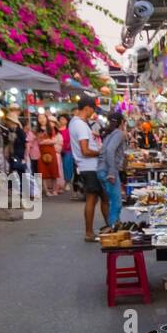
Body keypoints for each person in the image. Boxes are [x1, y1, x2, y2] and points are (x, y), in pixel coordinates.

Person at [68, 95, 104, 240]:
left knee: (95, 198)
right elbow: (85, 150)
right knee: (92, 198)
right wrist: (100, 152)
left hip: (87, 166)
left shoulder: (76, 123)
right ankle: (89, 232)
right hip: (90, 166)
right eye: (93, 109)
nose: (93, 112)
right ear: (87, 108)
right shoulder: (81, 125)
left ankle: (96, 230)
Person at [97, 112, 127, 227]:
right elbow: (110, 151)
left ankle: (113, 227)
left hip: (102, 169)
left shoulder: (110, 133)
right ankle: (113, 229)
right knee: (116, 203)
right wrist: (111, 172)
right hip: (108, 171)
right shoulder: (118, 133)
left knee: (113, 201)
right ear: (122, 123)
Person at [35, 113, 63, 197]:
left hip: (51, 151)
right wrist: (47, 141)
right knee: (43, 172)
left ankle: (54, 190)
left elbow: (54, 141)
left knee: (53, 171)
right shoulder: (37, 130)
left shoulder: (51, 129)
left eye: (43, 117)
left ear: (46, 119)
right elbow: (38, 142)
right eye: (39, 118)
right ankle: (46, 191)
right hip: (41, 152)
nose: (42, 119)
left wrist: (44, 141)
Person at [58, 113, 77, 195]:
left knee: (67, 167)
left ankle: (67, 182)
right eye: (60, 119)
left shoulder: (69, 130)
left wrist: (66, 147)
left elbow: (71, 141)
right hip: (58, 150)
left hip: (68, 151)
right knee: (59, 167)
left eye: (63, 119)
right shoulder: (56, 130)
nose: (62, 120)